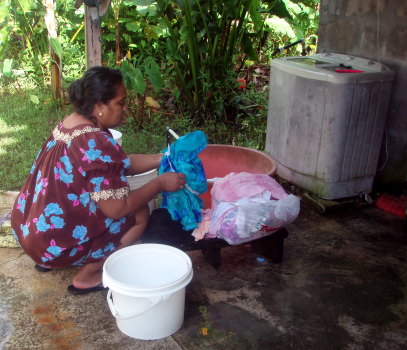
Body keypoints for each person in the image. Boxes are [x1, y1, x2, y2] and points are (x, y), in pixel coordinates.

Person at [10, 66, 186, 295]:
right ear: (100, 106)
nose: (125, 109)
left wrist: (162, 158)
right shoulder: (96, 141)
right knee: (139, 215)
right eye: (121, 103)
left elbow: (118, 164)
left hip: (29, 231)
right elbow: (116, 209)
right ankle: (88, 276)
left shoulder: (73, 122)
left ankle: (47, 260)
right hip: (54, 243)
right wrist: (159, 184)